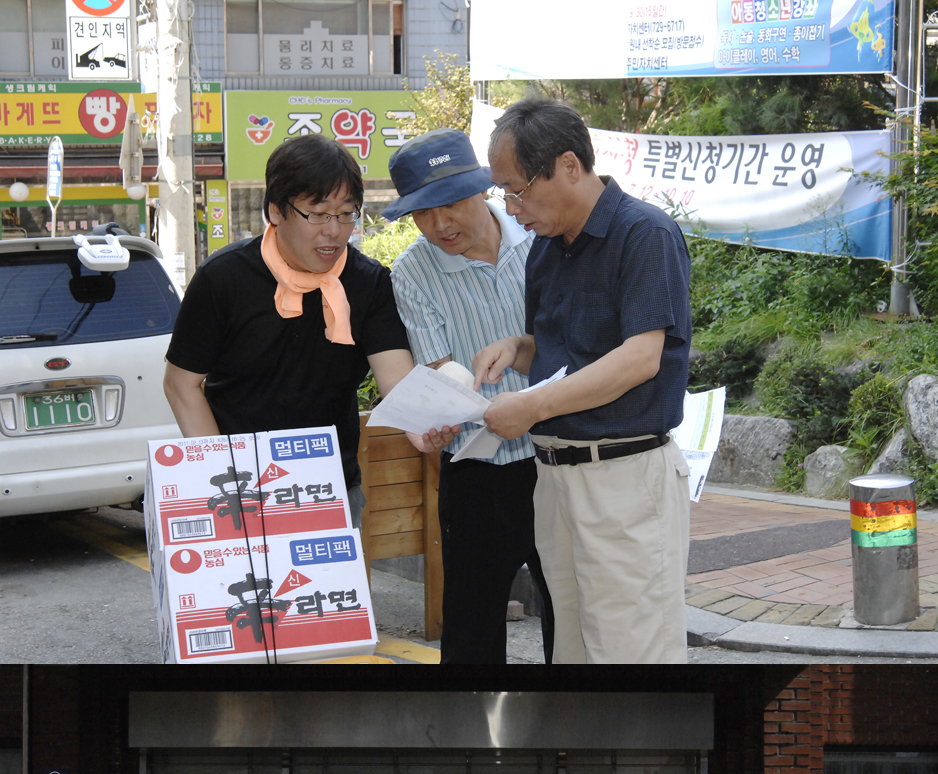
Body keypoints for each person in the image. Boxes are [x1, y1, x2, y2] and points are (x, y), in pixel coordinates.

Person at [472, 97, 692, 665]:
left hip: (624, 476)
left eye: (517, 190)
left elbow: (639, 359)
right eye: (502, 193)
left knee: (630, 650)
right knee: (570, 648)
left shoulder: (645, 234)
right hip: (554, 478)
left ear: (569, 166)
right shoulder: (545, 249)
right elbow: (562, 352)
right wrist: (513, 349)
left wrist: (531, 406)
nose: (511, 208)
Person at [163, 134, 454, 527]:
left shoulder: (368, 283)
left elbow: (397, 380)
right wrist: (223, 477)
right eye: (317, 214)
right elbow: (181, 384)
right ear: (276, 212)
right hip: (239, 492)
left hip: (329, 489)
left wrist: (420, 425)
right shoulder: (223, 280)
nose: (334, 232)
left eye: (347, 213)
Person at [386, 128, 554, 665]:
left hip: (559, 456)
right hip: (480, 468)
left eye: (452, 202)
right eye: (423, 212)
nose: (440, 224)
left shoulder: (541, 238)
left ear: (483, 189)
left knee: (570, 610)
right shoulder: (413, 271)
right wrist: (437, 416)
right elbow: (440, 371)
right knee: (472, 625)